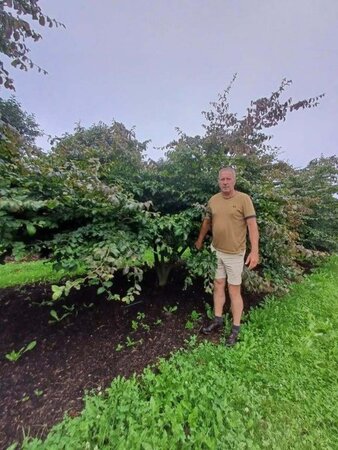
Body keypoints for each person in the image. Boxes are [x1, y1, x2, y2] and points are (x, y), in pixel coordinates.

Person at [195, 167, 259, 346]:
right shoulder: (213, 200)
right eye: (222, 179)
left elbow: (252, 226)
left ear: (234, 180)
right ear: (218, 181)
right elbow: (207, 221)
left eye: (228, 179)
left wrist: (255, 251)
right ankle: (217, 319)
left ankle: (235, 328)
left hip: (235, 254)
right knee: (218, 285)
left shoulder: (244, 199)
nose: (225, 182)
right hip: (216, 251)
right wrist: (200, 239)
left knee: (234, 290)